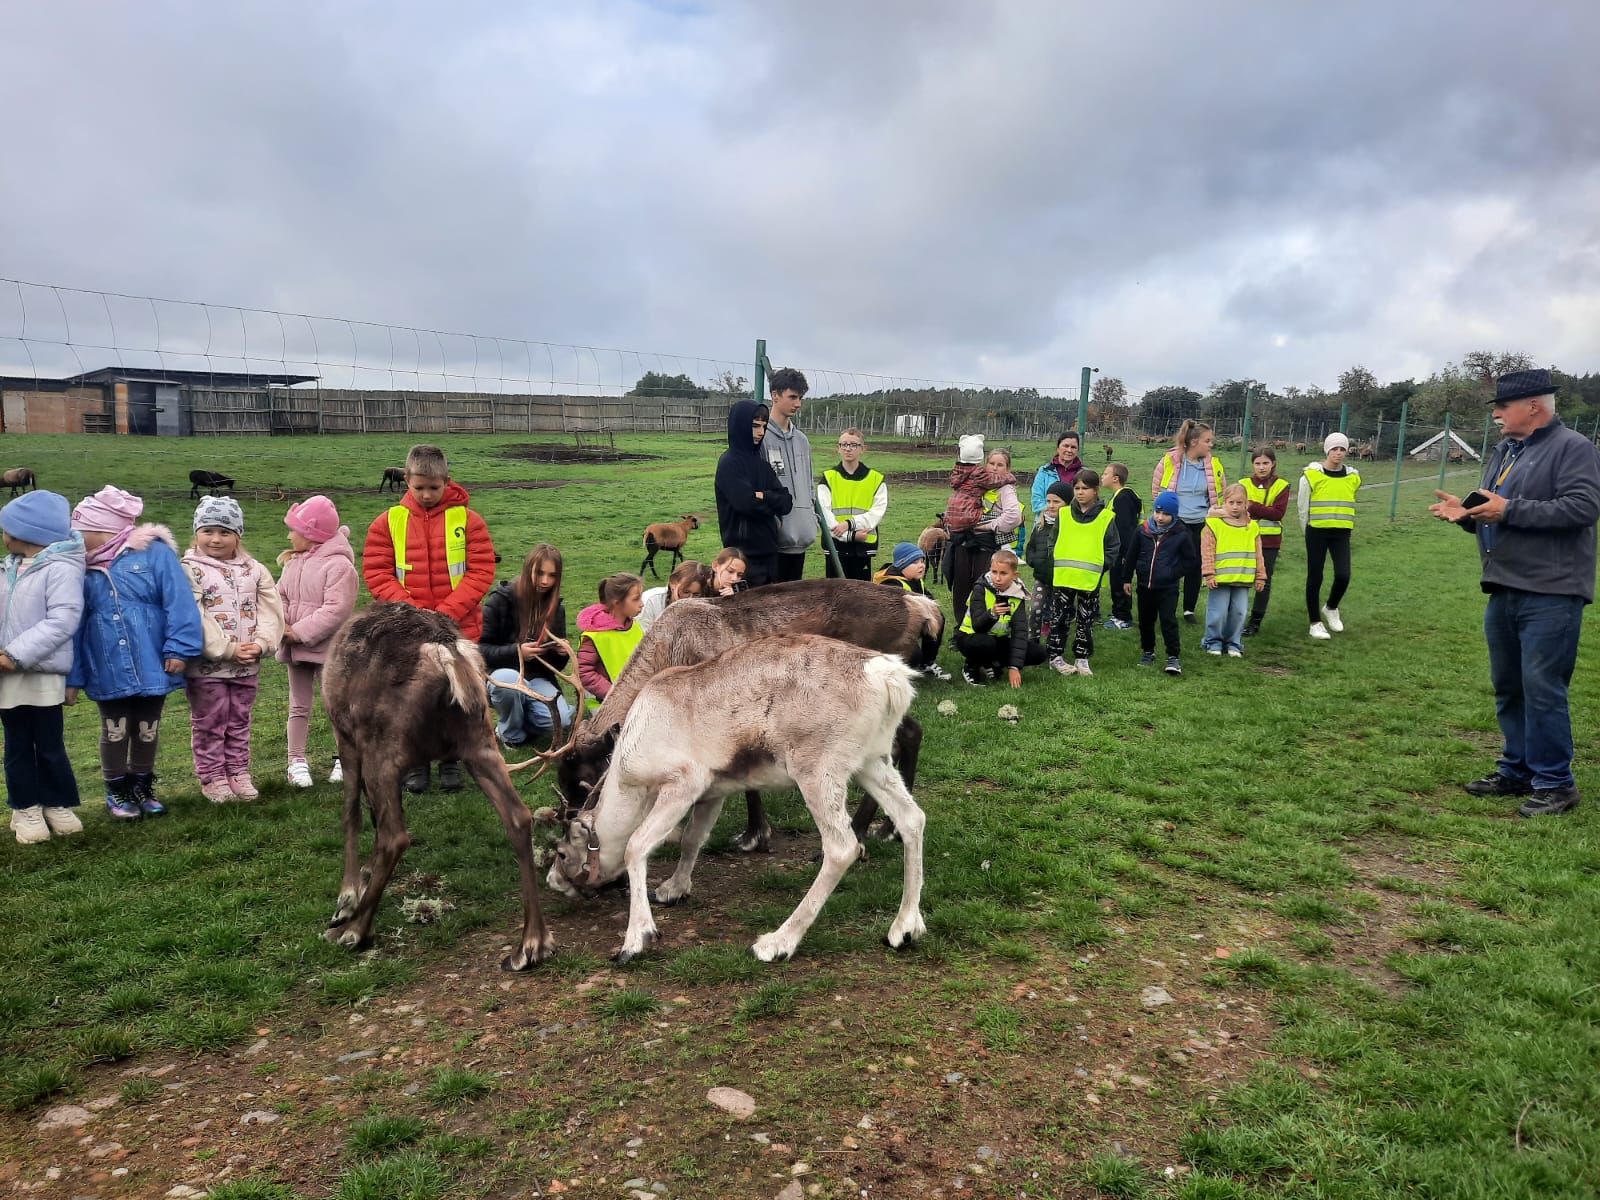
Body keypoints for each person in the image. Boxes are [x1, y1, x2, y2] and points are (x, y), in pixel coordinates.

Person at [1429, 368, 1600, 818]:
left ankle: (1556, 783)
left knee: (1543, 687)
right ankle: (1517, 769)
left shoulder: (1573, 448)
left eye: (1503, 406)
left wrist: (1509, 509)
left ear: (1535, 406)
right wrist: (1465, 515)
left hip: (1552, 591)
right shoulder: (1506, 450)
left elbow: (1583, 508)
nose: (1498, 415)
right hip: (1505, 586)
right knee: (1509, 686)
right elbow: (1494, 509)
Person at [363, 443, 497, 792]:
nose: (425, 494)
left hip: (459, 627)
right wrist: (413, 612)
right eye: (418, 487)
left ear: (446, 481)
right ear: (406, 480)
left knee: (456, 696)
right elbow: (377, 573)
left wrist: (446, 613)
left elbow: (481, 571)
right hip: (407, 632)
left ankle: (451, 759)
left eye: (433, 488)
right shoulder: (387, 523)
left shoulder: (468, 520)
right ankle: (417, 761)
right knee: (412, 699)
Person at [67, 486, 205, 820]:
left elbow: (179, 602)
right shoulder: (78, 568)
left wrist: (180, 648)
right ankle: (117, 788)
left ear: (104, 530)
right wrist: (72, 676)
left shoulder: (155, 554)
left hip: (153, 661)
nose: (75, 538)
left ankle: (143, 783)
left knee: (147, 726)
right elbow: (72, 623)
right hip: (106, 662)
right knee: (114, 727)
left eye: (80, 532)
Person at [183, 497, 285, 803]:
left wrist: (262, 643)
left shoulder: (254, 570)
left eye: (225, 532)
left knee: (240, 720)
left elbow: (271, 609)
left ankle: (238, 772)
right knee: (210, 722)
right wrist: (227, 649)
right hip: (207, 667)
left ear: (237, 535)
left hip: (247, 664)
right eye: (208, 531)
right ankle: (212, 776)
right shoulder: (190, 570)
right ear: (197, 532)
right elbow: (192, 615)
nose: (216, 539)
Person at [0, 491, 85, 843]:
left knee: (50, 743)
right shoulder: (7, 568)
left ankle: (56, 802)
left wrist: (14, 655)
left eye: (7, 528)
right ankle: (26, 807)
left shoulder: (62, 570)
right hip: (7, 678)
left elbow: (62, 620)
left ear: (26, 533)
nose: (3, 534)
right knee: (17, 743)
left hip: (41, 673)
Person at [276, 495, 358, 789]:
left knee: (337, 706)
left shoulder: (339, 567)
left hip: (329, 650)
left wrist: (298, 631)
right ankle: (295, 761)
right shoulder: (293, 562)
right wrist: (282, 624)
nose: (288, 535)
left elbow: (336, 609)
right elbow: (279, 596)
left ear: (311, 534)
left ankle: (346, 759)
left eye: (293, 530)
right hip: (296, 648)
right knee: (298, 705)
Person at [481, 543, 574, 745]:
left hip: (537, 677)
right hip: (501, 675)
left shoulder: (556, 609)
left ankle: (522, 715)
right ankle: (510, 734)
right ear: (528, 568)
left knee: (561, 721)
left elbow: (555, 668)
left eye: (552, 576)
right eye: (539, 573)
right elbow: (480, 649)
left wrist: (560, 653)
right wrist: (517, 653)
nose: (545, 581)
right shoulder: (500, 600)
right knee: (509, 679)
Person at [1046, 469, 1120, 677]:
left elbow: (1113, 547)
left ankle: (1082, 656)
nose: (1080, 493)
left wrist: (1101, 565)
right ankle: (1055, 655)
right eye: (1076, 488)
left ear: (1096, 490)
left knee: (1085, 620)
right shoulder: (1064, 514)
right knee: (1059, 618)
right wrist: (1055, 557)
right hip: (1064, 577)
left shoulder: (1106, 517)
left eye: (1085, 488)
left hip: (1089, 579)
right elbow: (1053, 539)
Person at [1151, 420, 1226, 624]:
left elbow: (1219, 494)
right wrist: (1162, 516)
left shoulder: (1214, 464)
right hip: (1176, 523)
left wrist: (1215, 516)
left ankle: (1189, 610)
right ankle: (1167, 606)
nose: (1211, 445)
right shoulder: (1170, 460)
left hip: (1201, 523)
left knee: (1195, 565)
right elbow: (1157, 489)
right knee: (1170, 565)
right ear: (1194, 442)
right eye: (1207, 440)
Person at [714, 400, 792, 588]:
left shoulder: (761, 464)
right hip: (742, 559)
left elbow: (786, 502)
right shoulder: (729, 463)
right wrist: (771, 506)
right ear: (740, 425)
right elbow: (746, 504)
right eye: (755, 426)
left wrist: (763, 496)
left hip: (770, 554)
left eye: (764, 426)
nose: (760, 432)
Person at [947, 441, 1022, 622]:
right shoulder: (977, 480)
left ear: (1007, 468)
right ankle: (961, 627)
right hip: (964, 541)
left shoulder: (1005, 489)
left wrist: (988, 525)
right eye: (992, 464)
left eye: (1000, 465)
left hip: (986, 545)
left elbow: (1014, 517)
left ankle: (982, 622)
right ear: (984, 464)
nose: (995, 468)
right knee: (961, 585)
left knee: (982, 584)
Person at [1127, 491, 1196, 676]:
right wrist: (1127, 578)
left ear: (1174, 515)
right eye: (1158, 512)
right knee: (1145, 621)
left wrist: (1173, 573)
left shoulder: (1181, 533)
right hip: (1144, 586)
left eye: (1165, 514)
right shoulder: (1142, 530)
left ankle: (1173, 657)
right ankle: (1147, 652)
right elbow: (1131, 555)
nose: (1160, 517)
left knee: (1168, 620)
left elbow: (1190, 560)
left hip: (1168, 588)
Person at [954, 548, 1046, 687]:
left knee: (1038, 652)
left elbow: (1019, 633)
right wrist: (992, 614)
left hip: (997, 640)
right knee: (985, 643)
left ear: (1014, 575)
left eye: (1003, 573)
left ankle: (993, 663)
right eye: (994, 572)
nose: (997, 578)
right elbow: (977, 625)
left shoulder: (1018, 595)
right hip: (970, 637)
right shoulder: (980, 588)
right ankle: (971, 666)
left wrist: (1014, 667)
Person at [1300, 432, 1361, 640]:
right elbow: (1302, 508)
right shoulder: (1311, 475)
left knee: (1344, 575)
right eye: (1334, 449)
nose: (1339, 453)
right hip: (1316, 531)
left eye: (1342, 449)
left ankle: (1331, 607)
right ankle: (1314, 622)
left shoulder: (1353, 476)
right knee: (1315, 577)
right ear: (1327, 450)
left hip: (1342, 532)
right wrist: (1305, 531)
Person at [761, 367, 818, 581]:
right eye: (792, 397)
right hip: (773, 543)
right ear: (775, 395)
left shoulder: (802, 441)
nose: (798, 404)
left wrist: (812, 517)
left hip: (801, 537)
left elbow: (809, 483)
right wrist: (775, 522)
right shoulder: (762, 438)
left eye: (800, 398)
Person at [1200, 484, 1267, 658]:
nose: (1235, 507)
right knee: (1218, 612)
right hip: (1220, 578)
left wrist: (1260, 576)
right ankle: (1213, 641)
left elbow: (1259, 554)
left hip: (1243, 578)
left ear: (1246, 504)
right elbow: (1207, 550)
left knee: (1239, 612)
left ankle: (1234, 644)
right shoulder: (1214, 524)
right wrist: (1209, 573)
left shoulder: (1252, 527)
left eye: (1240, 502)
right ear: (1224, 503)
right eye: (1231, 502)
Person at [817, 428, 887, 581]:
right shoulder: (828, 478)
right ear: (838, 448)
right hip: (836, 548)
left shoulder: (875, 479)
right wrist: (850, 535)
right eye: (844, 444)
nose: (848, 449)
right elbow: (825, 514)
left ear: (863, 448)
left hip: (862, 549)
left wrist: (850, 524)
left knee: (860, 598)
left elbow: (876, 513)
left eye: (853, 445)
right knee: (835, 598)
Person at [875, 542, 950, 680]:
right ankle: (893, 666)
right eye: (915, 562)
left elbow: (930, 601)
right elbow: (892, 619)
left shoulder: (915, 580)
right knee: (913, 657)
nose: (921, 565)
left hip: (913, 624)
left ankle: (928, 662)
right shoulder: (891, 585)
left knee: (938, 617)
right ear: (902, 564)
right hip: (894, 632)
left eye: (922, 561)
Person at [576, 572, 645, 709]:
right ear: (617, 603)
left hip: (634, 698)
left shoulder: (635, 627)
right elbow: (583, 672)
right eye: (636, 599)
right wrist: (614, 693)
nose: (642, 604)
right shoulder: (595, 636)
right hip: (604, 702)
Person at [1241, 448, 1290, 637]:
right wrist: (1260, 509)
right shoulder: (1244, 484)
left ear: (1273, 464)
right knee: (1242, 578)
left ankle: (1255, 621)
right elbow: (1238, 508)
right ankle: (1237, 616)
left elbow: (1278, 513)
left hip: (1269, 541)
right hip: (1245, 538)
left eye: (1265, 463)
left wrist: (1253, 507)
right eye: (1257, 463)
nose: (1261, 467)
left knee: (1264, 580)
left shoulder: (1281, 485)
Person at [1103, 462, 1142, 630]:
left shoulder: (1123, 498)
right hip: (1118, 549)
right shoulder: (1119, 496)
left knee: (1120, 582)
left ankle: (1123, 617)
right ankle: (1117, 612)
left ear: (1115, 478)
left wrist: (1126, 553)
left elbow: (1126, 528)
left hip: (1122, 549)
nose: (1102, 477)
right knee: (1115, 581)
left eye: (1105, 473)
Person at [1023, 487, 1065, 643]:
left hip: (1060, 578)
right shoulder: (1040, 525)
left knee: (1057, 613)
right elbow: (1031, 546)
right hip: (1041, 577)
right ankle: (1032, 640)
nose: (1051, 505)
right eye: (1048, 501)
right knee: (1035, 609)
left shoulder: (1067, 527)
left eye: (1056, 501)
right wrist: (1033, 561)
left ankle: (1054, 644)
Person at [639, 559, 709, 631]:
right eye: (686, 592)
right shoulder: (650, 601)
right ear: (672, 583)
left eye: (696, 594)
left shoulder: (703, 606)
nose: (690, 599)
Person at [1030, 431, 1084, 517]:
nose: (1069, 450)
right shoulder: (1044, 472)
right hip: (1047, 523)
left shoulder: (1084, 474)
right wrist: (1052, 514)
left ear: (1077, 450)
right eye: (1066, 446)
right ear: (1058, 448)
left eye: (1073, 447)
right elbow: (1037, 501)